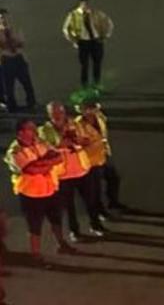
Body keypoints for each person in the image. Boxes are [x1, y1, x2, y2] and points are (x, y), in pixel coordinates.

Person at [5, 119, 76, 263]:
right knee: (35, 225)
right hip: (31, 193)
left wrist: (43, 163)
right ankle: (36, 254)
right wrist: (47, 162)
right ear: (21, 133)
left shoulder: (40, 142)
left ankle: (61, 244)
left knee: (56, 219)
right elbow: (31, 170)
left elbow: (58, 157)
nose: (35, 131)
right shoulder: (15, 151)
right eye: (31, 129)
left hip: (49, 188)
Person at [39, 102, 104, 241]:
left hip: (81, 168)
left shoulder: (75, 124)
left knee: (90, 200)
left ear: (64, 112)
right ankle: (74, 231)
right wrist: (59, 145)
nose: (57, 115)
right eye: (54, 113)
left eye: (60, 112)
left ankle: (96, 224)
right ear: (49, 115)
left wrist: (80, 141)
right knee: (69, 206)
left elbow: (87, 139)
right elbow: (44, 148)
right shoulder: (44, 130)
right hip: (63, 174)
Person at [76, 101, 123, 216]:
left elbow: (103, 129)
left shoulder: (100, 117)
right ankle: (100, 211)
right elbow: (80, 142)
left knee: (114, 178)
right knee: (95, 187)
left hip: (104, 154)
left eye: (92, 108)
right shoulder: (78, 124)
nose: (90, 111)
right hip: (91, 159)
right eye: (87, 109)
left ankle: (113, 201)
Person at [61, 0, 113, 89]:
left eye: (87, 3)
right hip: (83, 42)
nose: (86, 5)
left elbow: (108, 23)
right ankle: (84, 86)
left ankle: (96, 84)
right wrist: (73, 40)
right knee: (84, 65)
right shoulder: (73, 15)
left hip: (96, 41)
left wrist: (105, 36)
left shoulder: (96, 13)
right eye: (83, 3)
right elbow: (66, 29)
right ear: (79, 4)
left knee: (97, 64)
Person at [0, 8, 37, 111]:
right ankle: (11, 106)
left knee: (27, 82)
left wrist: (11, 43)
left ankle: (32, 103)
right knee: (8, 86)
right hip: (6, 60)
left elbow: (21, 43)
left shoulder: (15, 29)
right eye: (1, 18)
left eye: (5, 17)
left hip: (18, 58)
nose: (4, 20)